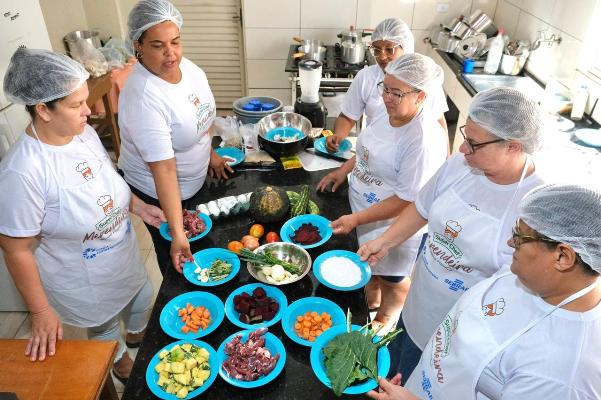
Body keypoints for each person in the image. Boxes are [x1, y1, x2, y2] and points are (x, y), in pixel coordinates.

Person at [357, 87, 547, 383]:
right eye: (464, 138)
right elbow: (421, 207)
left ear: (512, 146)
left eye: (473, 143)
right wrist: (384, 241)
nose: (461, 149)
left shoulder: (535, 208)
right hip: (419, 301)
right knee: (392, 368)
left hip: (457, 334)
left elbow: (518, 295)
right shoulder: (462, 165)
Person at [0, 48, 165, 382]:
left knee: (144, 294)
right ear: (43, 110)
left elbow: (106, 184)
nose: (89, 111)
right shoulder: (23, 171)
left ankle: (134, 336)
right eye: (77, 105)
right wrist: (41, 311)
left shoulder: (83, 133)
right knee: (103, 324)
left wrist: (138, 206)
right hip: (84, 276)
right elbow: (15, 249)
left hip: (122, 254)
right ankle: (117, 359)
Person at [367, 183, 601, 400]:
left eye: (520, 237)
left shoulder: (566, 374)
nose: (510, 243)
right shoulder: (532, 275)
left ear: (563, 256)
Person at [317, 53, 448, 328]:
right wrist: (344, 170)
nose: (387, 97)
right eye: (385, 88)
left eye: (396, 93)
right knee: (372, 266)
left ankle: (387, 315)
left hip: (393, 222)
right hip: (364, 210)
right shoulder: (386, 112)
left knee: (393, 277)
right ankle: (372, 301)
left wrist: (355, 220)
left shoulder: (422, 140)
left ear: (421, 96)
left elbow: (405, 200)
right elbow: (368, 150)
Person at [118, 0, 232, 274]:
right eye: (158, 45)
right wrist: (178, 231)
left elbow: (200, 115)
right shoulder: (144, 96)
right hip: (161, 195)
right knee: (182, 262)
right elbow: (164, 170)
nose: (171, 54)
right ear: (138, 45)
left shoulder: (189, 69)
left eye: (176, 42)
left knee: (207, 250)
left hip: (195, 181)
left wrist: (210, 154)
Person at [326, 18, 448, 153]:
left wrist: (446, 165)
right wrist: (338, 136)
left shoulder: (425, 80)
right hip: (376, 150)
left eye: (389, 49)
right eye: (377, 50)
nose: (382, 56)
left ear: (405, 47)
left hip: (413, 153)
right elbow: (348, 116)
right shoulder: (366, 77)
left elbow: (439, 124)